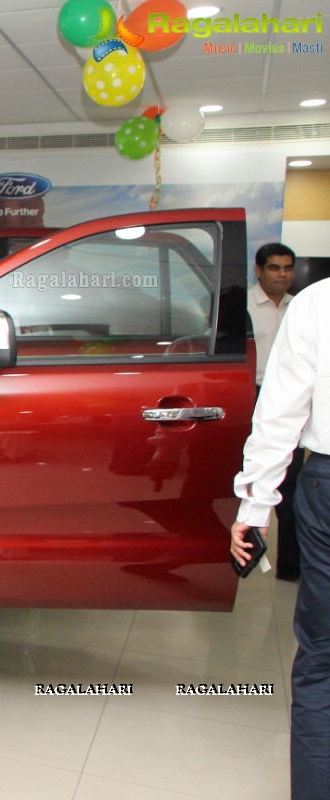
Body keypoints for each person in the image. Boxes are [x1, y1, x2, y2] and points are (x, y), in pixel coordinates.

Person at [231, 275, 330, 799]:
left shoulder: (318, 302)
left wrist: (254, 508)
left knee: (323, 665)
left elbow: (281, 413)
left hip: (329, 484)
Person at [248, 242, 301, 580]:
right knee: (242, 479)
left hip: (288, 402)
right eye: (274, 268)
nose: (282, 274)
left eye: (287, 268)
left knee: (290, 487)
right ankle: (237, 556)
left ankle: (291, 568)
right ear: (259, 270)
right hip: (248, 397)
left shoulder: (302, 308)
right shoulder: (243, 306)